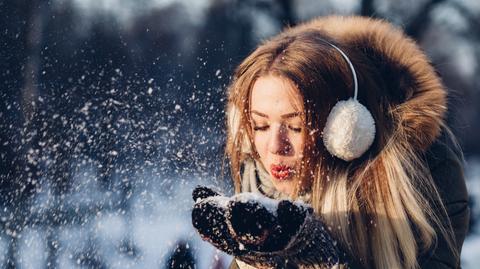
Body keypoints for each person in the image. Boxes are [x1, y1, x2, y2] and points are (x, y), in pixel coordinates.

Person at [191, 15, 470, 269]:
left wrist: (320, 260)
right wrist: (257, 260)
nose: (275, 146)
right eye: (260, 125)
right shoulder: (259, 183)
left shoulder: (427, 173)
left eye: (296, 126)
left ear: (345, 129)